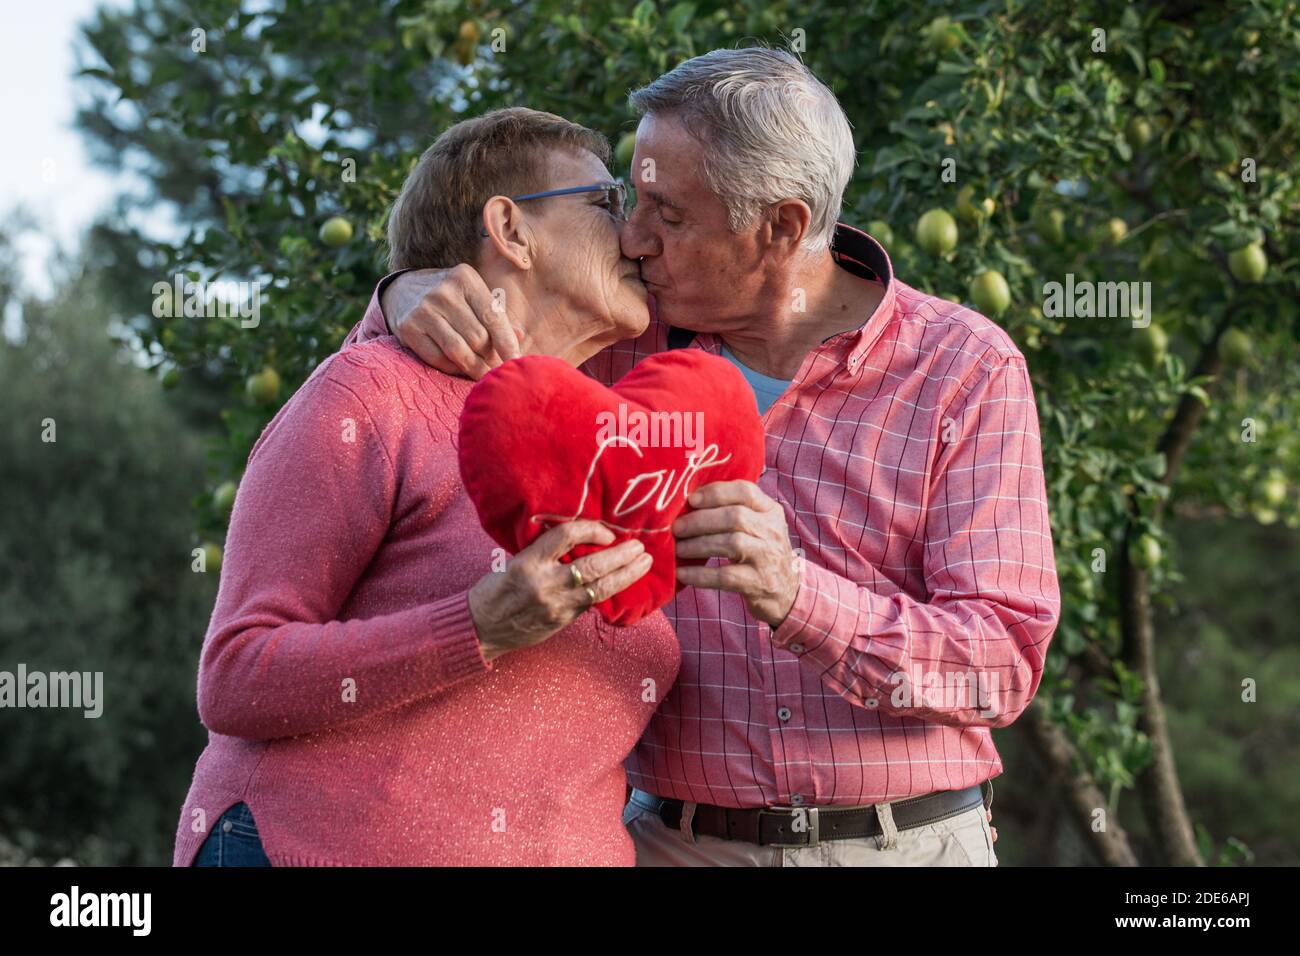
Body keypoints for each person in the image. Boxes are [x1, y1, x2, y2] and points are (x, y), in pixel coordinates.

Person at [347, 48, 1059, 866]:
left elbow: (999, 666)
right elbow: (399, 394)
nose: (633, 238)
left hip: (908, 843)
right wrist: (401, 296)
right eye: (632, 201)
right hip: (675, 845)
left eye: (669, 214)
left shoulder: (964, 367)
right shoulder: (614, 341)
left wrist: (799, 597)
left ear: (782, 226)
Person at [174, 107, 680, 867]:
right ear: (511, 229)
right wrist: (475, 627)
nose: (634, 232)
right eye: (606, 201)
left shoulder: (620, 423)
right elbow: (237, 676)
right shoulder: (372, 395)